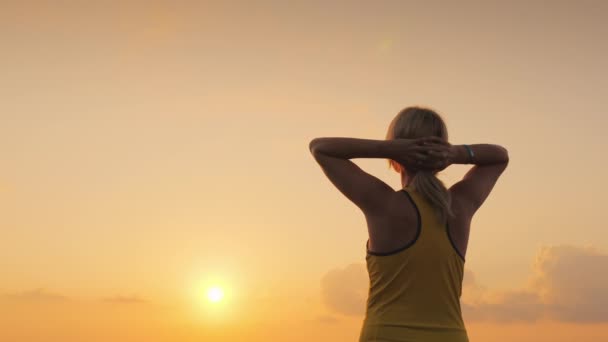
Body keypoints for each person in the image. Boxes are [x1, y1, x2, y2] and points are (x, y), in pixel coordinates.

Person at [309, 106, 509, 342]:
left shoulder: (383, 204)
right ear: (441, 156)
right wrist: (455, 153)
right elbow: (499, 156)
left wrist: (386, 149)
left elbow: (320, 148)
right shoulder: (460, 205)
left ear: (396, 155)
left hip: (387, 334)